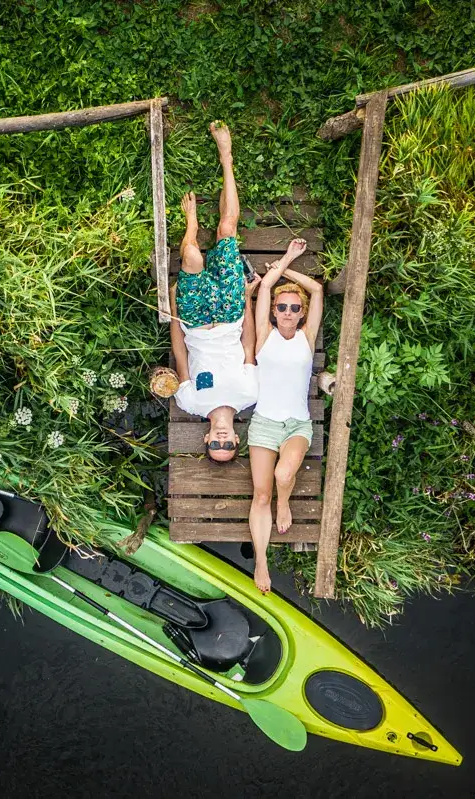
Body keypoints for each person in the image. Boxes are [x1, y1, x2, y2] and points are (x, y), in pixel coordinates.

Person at [169, 121, 261, 462]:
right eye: (229, 446)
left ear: (206, 438)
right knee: (227, 230)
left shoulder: (190, 401)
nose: (221, 441)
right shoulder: (249, 394)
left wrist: (174, 315)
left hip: (193, 319)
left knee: (191, 256)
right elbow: (248, 344)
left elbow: (180, 354)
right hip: (229, 311)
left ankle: (191, 225)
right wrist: (247, 301)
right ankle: (226, 156)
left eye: (214, 445)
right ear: (237, 438)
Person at [247, 238, 322, 593]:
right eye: (282, 307)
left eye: (294, 307)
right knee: (259, 495)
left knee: (283, 473)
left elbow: (318, 288)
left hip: (296, 424)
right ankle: (261, 562)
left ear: (302, 313)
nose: (288, 312)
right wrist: (286, 259)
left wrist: (288, 269)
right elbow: (263, 288)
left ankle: (285, 501)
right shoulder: (265, 335)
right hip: (263, 424)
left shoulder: (307, 337)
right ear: (274, 311)